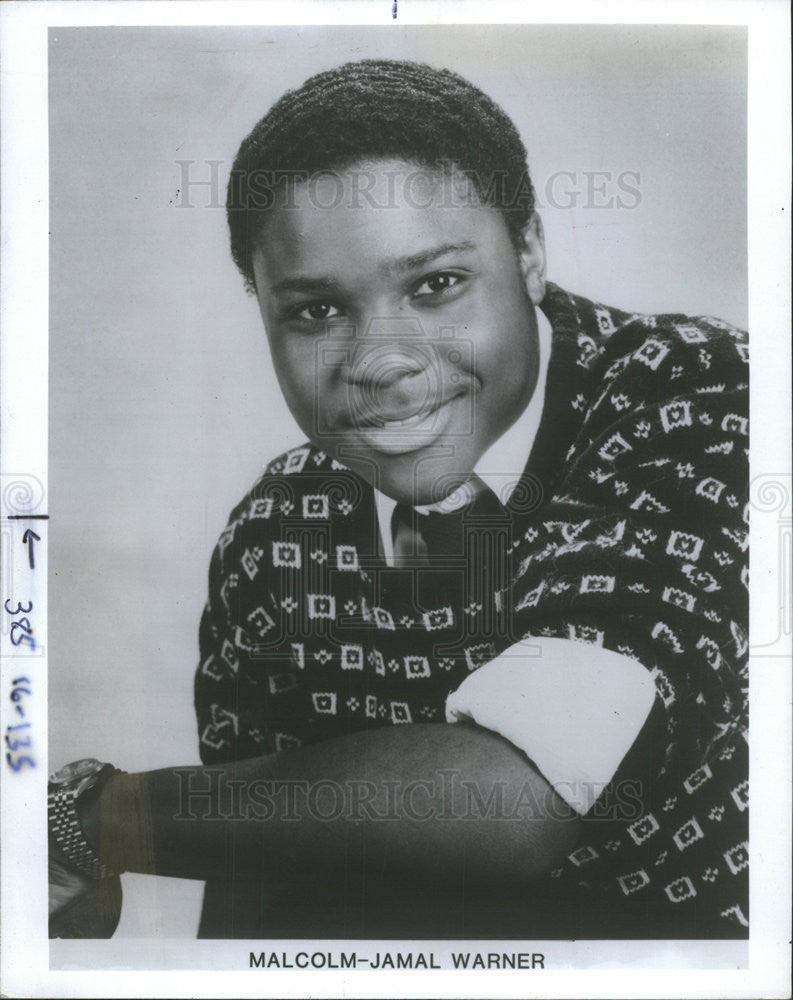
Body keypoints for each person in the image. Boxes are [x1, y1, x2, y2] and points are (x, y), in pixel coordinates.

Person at [48, 59, 749, 940]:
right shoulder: (275, 532)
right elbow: (261, 887)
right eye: (315, 312)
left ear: (528, 249)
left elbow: (523, 795)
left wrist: (94, 817)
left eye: (434, 285)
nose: (381, 359)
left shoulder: (692, 393)